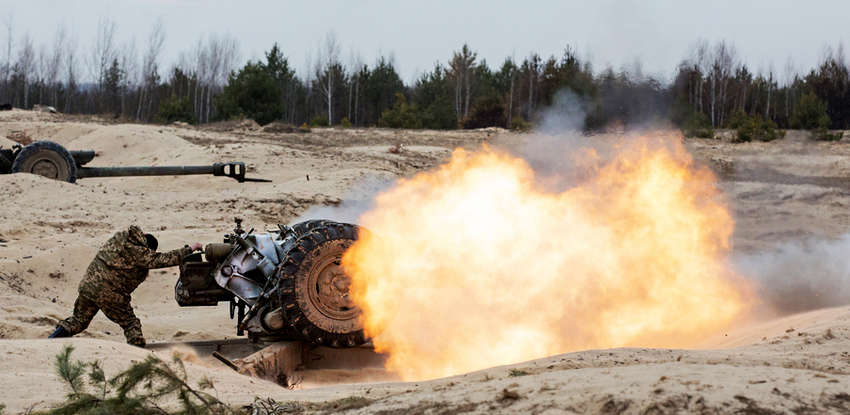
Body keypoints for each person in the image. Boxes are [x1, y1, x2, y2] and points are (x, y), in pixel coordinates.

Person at [48, 225, 202, 347]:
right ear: (147, 247)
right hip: (110, 293)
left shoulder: (120, 240)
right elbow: (162, 259)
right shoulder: (139, 253)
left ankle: (49, 342)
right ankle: (137, 357)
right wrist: (189, 250)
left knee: (78, 321)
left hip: (88, 285)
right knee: (130, 324)